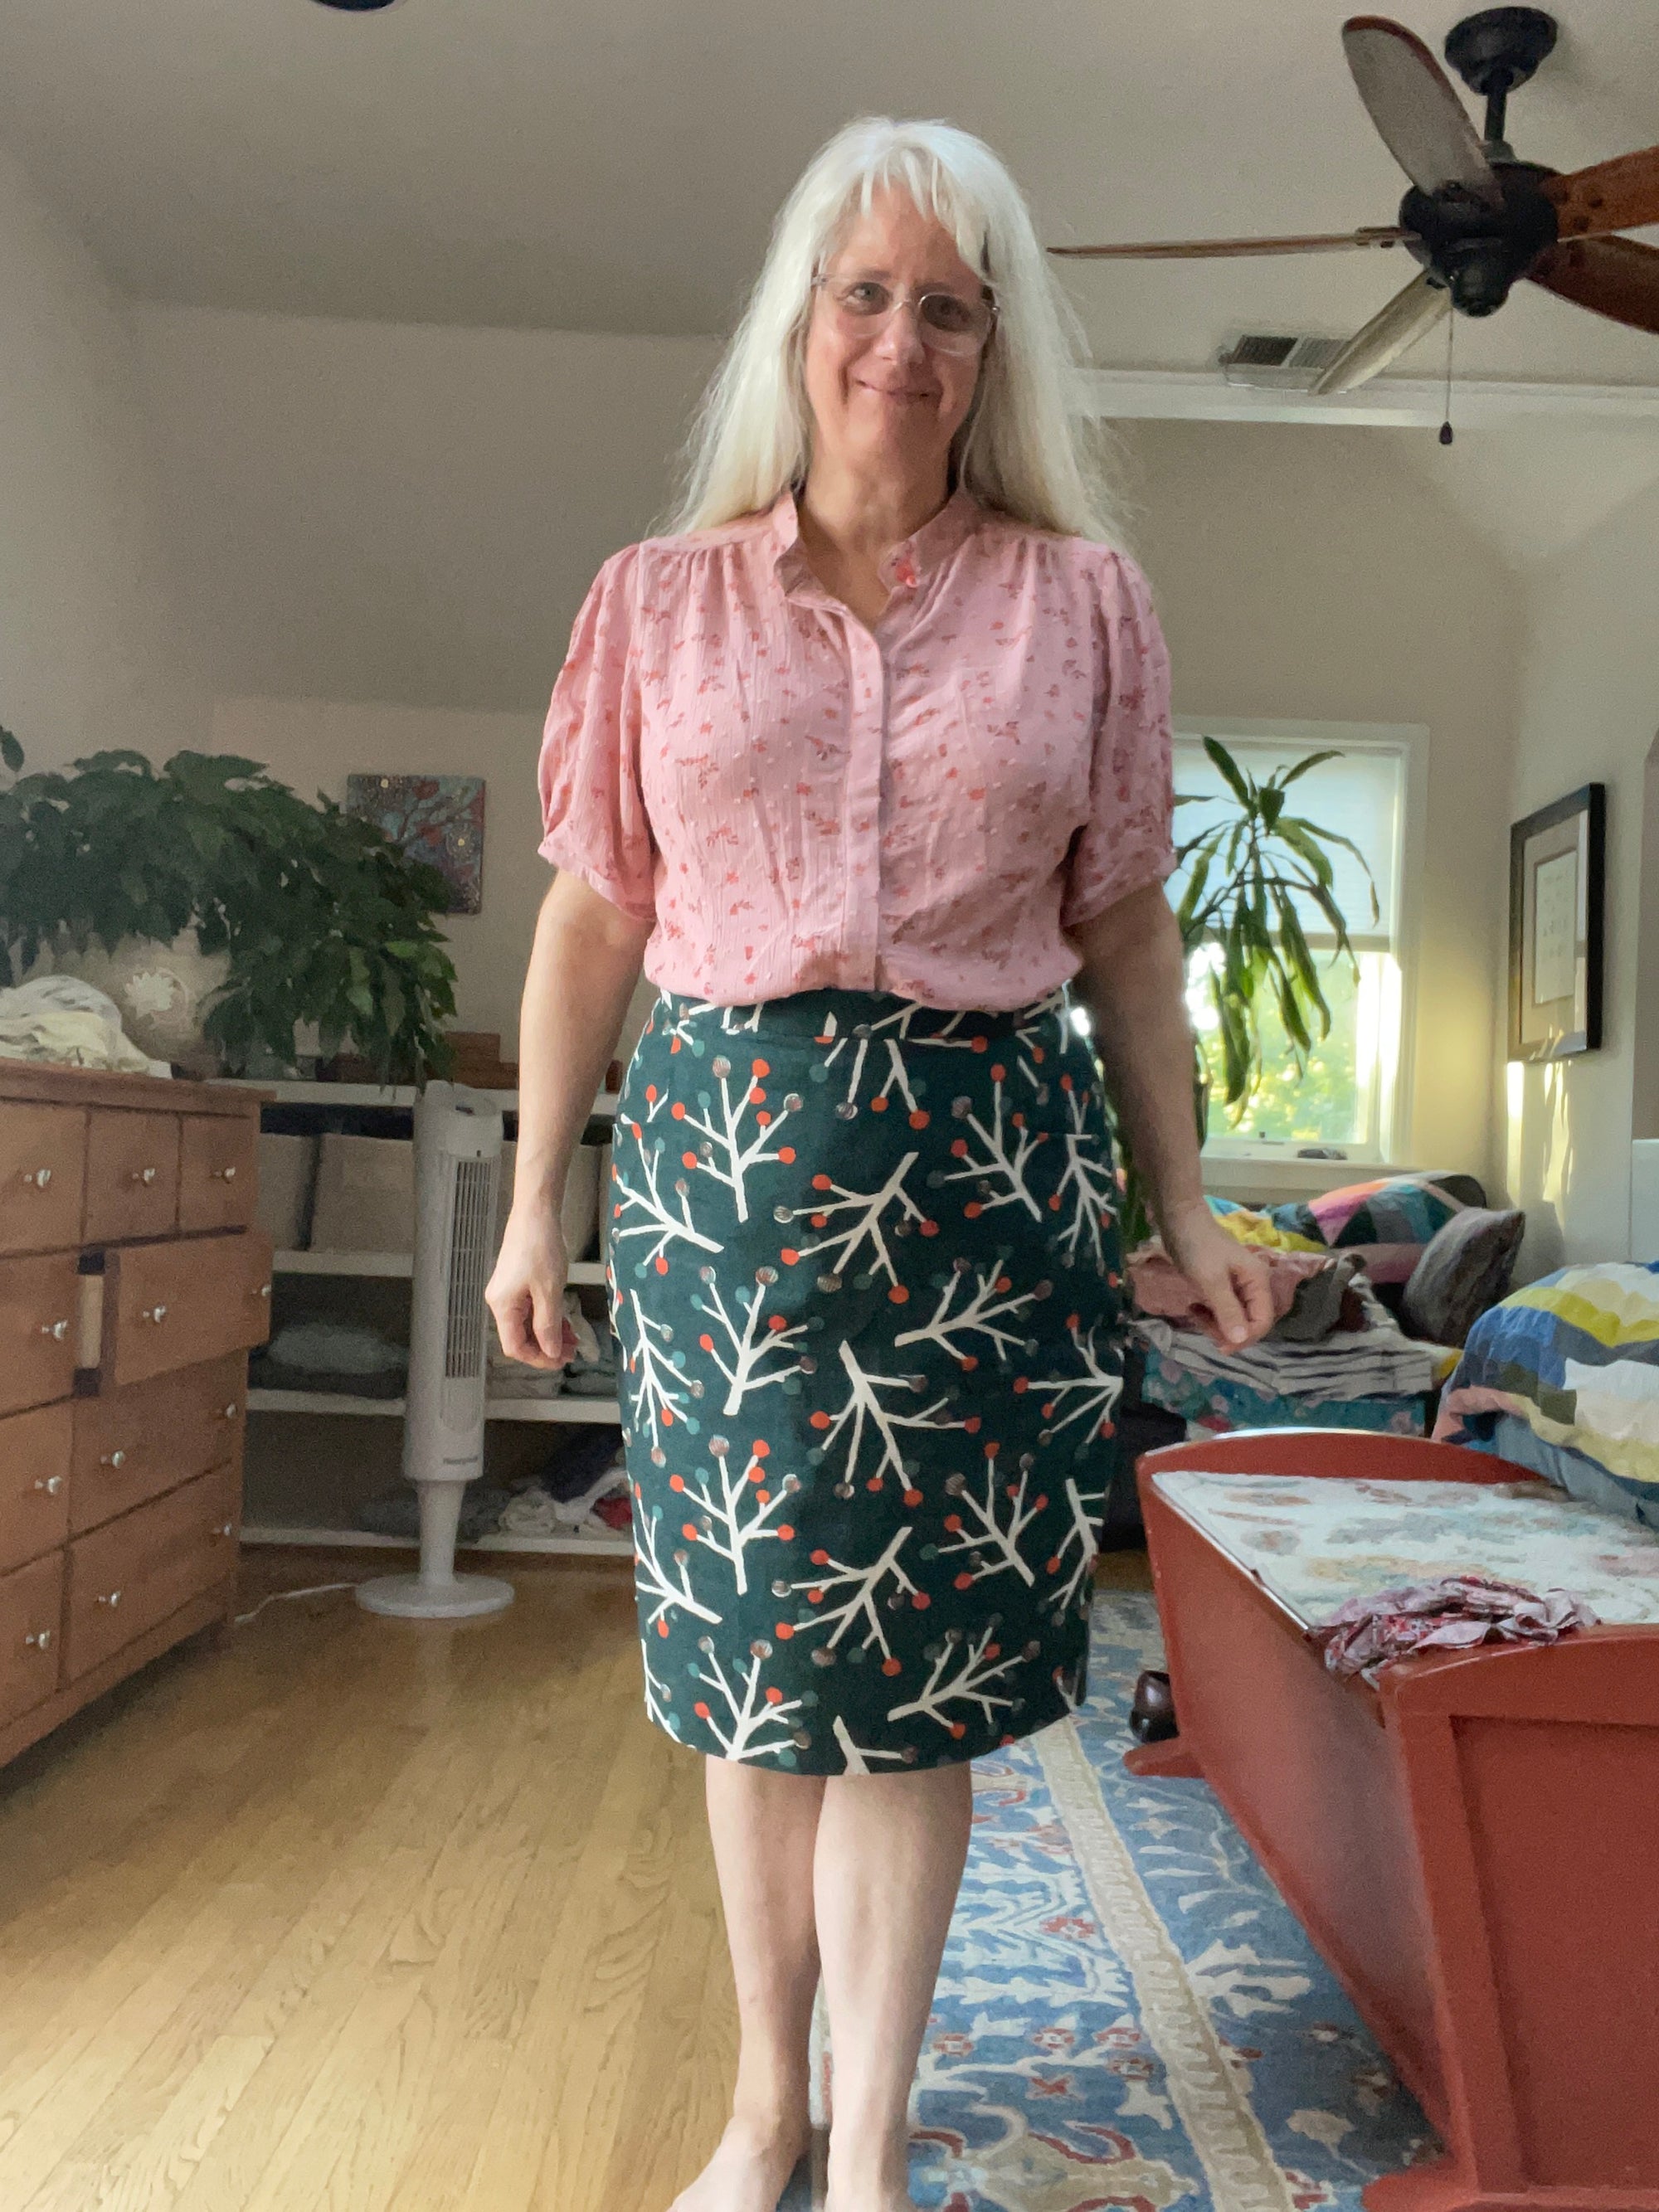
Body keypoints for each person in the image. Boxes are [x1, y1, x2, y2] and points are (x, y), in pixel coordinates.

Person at [486, 114, 1273, 2212]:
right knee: (755, 1678)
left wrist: (1181, 1207)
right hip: (723, 1186)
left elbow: (1126, 934)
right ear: (798, 320)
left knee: (910, 1694)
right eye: (863, 296)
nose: (898, 344)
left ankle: (870, 2139)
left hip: (983, 1187)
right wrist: (531, 1194)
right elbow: (591, 918)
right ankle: (766, 2108)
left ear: (992, 344)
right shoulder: (655, 600)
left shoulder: (1083, 601)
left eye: (945, 307)